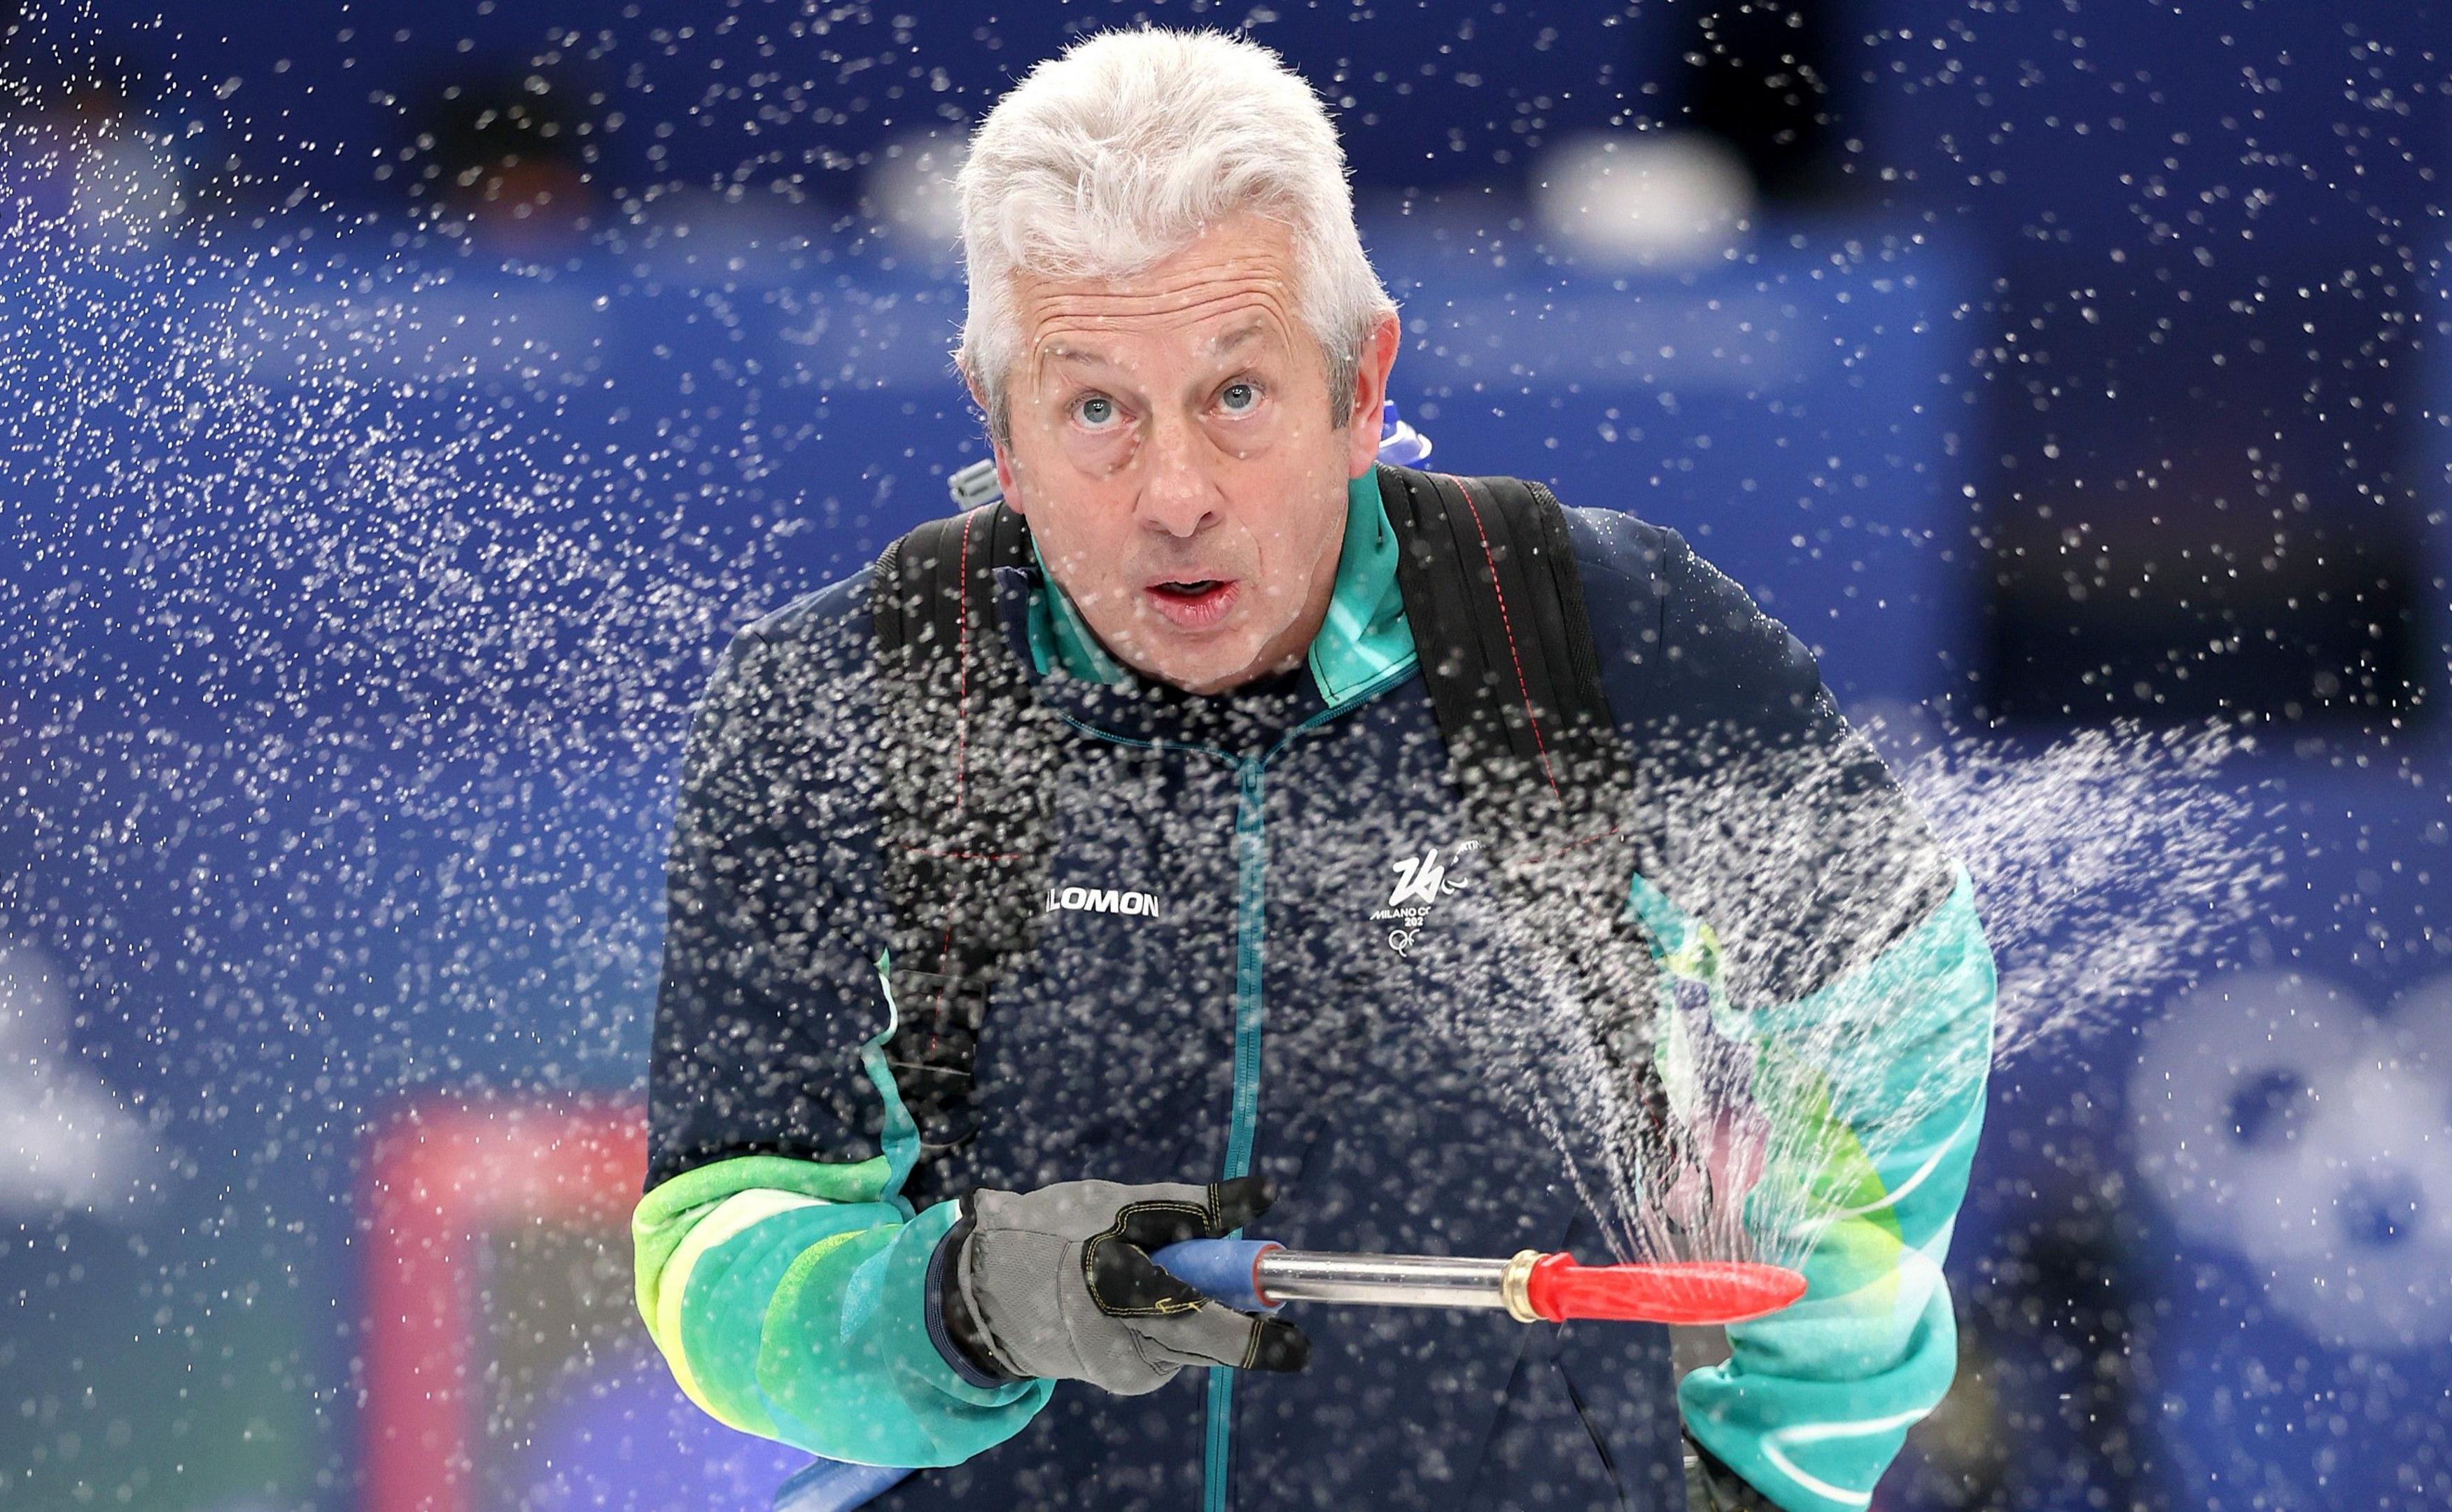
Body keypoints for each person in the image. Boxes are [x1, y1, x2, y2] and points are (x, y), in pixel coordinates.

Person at [633, 27, 1996, 1512]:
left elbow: (1899, 1023)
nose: (1174, 497)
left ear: (1361, 385)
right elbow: (715, 1254)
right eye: (1095, 409)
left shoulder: (1602, 640)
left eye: (1236, 394)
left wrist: (1767, 1474)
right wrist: (956, 1306)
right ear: (999, 427)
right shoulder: (845, 698)